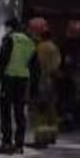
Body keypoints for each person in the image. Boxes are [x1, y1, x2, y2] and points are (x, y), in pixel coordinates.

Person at [0, 16, 38, 155]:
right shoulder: (30, 41)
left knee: (5, 112)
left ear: (10, 27)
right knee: (19, 113)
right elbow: (35, 67)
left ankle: (6, 143)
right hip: (22, 80)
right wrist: (33, 87)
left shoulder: (9, 39)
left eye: (6, 27)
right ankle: (19, 144)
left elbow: (2, 62)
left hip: (8, 79)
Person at [28, 17, 62, 148]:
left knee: (40, 111)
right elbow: (56, 66)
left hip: (42, 83)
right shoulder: (53, 47)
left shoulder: (41, 48)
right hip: (51, 82)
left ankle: (41, 139)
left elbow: (37, 67)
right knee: (50, 112)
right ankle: (51, 136)